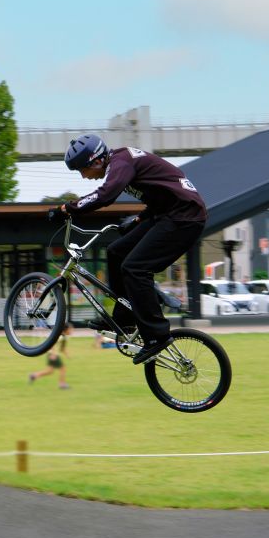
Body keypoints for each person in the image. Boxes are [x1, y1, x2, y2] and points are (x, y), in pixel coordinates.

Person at [60, 133, 207, 365]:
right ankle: (125, 318)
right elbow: (161, 194)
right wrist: (139, 219)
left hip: (184, 218)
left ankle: (157, 336)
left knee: (135, 269)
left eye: (82, 170)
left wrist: (69, 208)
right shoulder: (123, 162)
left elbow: (106, 195)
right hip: (167, 213)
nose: (83, 176)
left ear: (96, 161)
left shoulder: (121, 163)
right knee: (116, 251)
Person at [29, 325, 71, 389]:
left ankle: (33, 375)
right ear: (66, 329)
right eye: (70, 329)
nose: (71, 331)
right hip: (53, 355)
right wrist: (53, 354)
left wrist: (67, 355)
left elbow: (62, 348)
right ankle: (62, 384)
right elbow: (52, 344)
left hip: (52, 354)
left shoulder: (64, 337)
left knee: (49, 371)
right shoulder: (60, 336)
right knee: (63, 368)